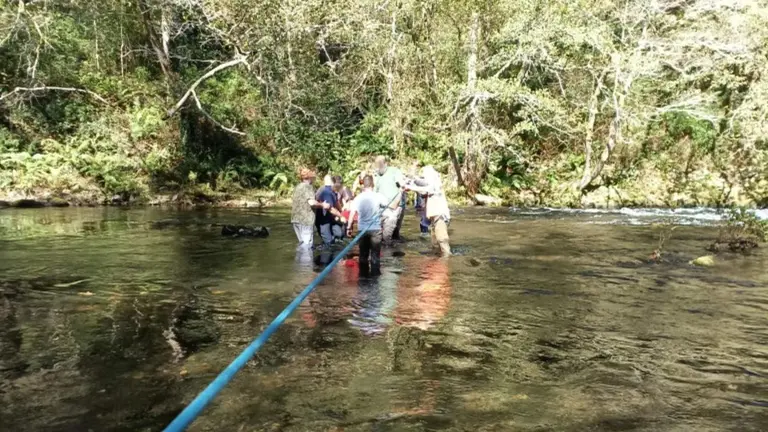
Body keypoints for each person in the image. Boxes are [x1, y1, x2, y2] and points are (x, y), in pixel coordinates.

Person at [403, 165, 451, 256]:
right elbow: (423, 189)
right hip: (434, 219)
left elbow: (426, 188)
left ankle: (446, 259)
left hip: (440, 218)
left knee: (442, 241)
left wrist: (410, 187)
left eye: (425, 176)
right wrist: (412, 181)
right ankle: (436, 259)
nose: (424, 178)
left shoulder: (435, 184)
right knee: (435, 243)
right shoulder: (432, 182)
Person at [346, 175, 388, 273]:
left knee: (363, 255)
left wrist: (349, 228)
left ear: (363, 185)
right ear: (372, 184)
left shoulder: (358, 198)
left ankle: (363, 277)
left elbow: (352, 214)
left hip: (362, 230)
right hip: (375, 229)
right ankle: (375, 278)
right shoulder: (378, 196)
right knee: (375, 256)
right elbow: (387, 204)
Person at [291, 168, 330, 248]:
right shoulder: (308, 187)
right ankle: (307, 257)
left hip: (295, 219)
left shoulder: (298, 186)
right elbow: (312, 203)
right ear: (310, 177)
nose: (314, 179)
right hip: (306, 220)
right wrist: (323, 205)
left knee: (302, 245)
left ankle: (300, 257)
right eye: (313, 177)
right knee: (307, 247)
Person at [373, 156, 405, 244]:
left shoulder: (395, 171)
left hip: (395, 207)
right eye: (377, 166)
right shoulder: (376, 175)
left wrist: (396, 203)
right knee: (378, 236)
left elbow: (402, 187)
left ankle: (392, 250)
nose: (378, 168)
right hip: (381, 208)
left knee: (389, 235)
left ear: (385, 163)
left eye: (380, 166)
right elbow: (374, 191)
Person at [315, 174, 344, 246]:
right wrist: (341, 216)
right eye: (339, 186)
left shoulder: (334, 192)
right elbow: (330, 209)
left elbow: (336, 202)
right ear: (333, 184)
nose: (340, 188)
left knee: (339, 234)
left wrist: (341, 211)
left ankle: (335, 243)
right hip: (323, 221)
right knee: (329, 242)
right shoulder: (327, 192)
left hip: (330, 218)